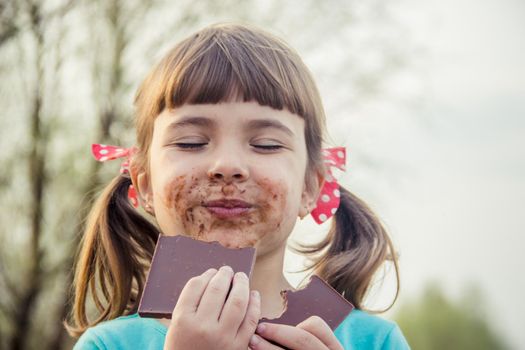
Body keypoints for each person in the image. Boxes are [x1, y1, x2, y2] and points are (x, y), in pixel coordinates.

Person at [66, 23, 410, 349]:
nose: (228, 166)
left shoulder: (375, 342)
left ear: (311, 188)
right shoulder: (107, 345)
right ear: (144, 185)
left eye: (266, 144)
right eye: (190, 142)